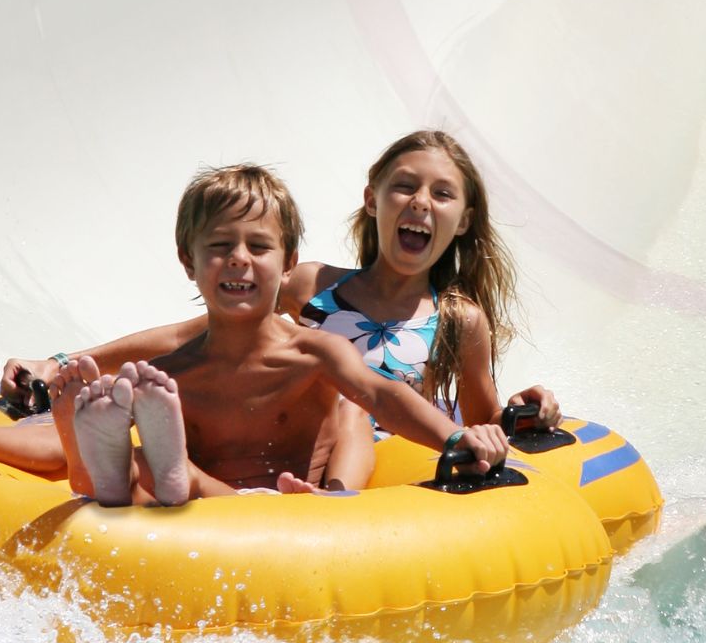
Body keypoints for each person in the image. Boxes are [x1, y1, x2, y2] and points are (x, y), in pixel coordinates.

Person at [0, 129, 555, 487]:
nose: (419, 203)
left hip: (364, 460)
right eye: (405, 188)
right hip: (257, 445)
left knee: (353, 403)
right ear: (373, 200)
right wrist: (59, 362)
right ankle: (102, 460)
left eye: (441, 194)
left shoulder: (458, 319)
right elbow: (187, 336)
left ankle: (161, 474)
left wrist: (510, 421)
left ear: (464, 219)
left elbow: (439, 407)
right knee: (124, 421)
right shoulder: (305, 286)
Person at [62, 163, 508, 505]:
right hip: (213, 507)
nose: (239, 258)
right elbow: (173, 337)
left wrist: (452, 438)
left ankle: (170, 480)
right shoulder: (168, 374)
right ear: (187, 260)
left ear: (289, 262)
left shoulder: (315, 352)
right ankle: (120, 480)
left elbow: (381, 395)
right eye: (220, 247)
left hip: (299, 506)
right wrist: (44, 409)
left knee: (351, 405)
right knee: (136, 461)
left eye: (258, 247)